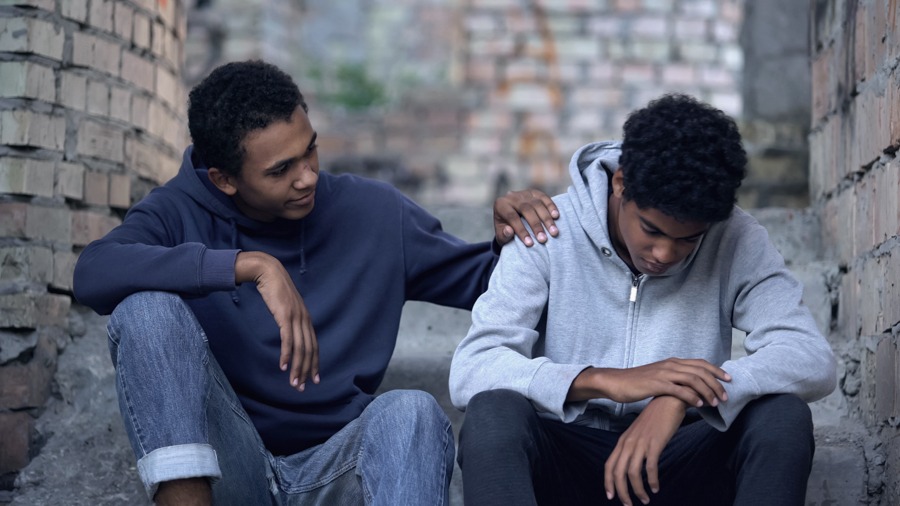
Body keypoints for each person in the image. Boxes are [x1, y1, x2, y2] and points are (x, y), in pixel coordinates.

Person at [72, 60, 560, 506]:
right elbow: (95, 272)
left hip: (339, 467)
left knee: (412, 411)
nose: (306, 177)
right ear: (224, 180)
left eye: (310, 152)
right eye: (281, 170)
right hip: (230, 466)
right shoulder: (177, 210)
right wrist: (249, 265)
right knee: (147, 311)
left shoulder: (373, 213)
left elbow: (488, 284)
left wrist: (513, 241)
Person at [449, 94, 837, 506]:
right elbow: (474, 367)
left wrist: (680, 395)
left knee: (782, 417)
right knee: (493, 414)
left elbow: (810, 356)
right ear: (620, 183)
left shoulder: (737, 238)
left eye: (689, 238)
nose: (665, 254)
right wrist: (604, 381)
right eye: (651, 230)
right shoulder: (546, 231)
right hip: (567, 463)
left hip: (677, 459)